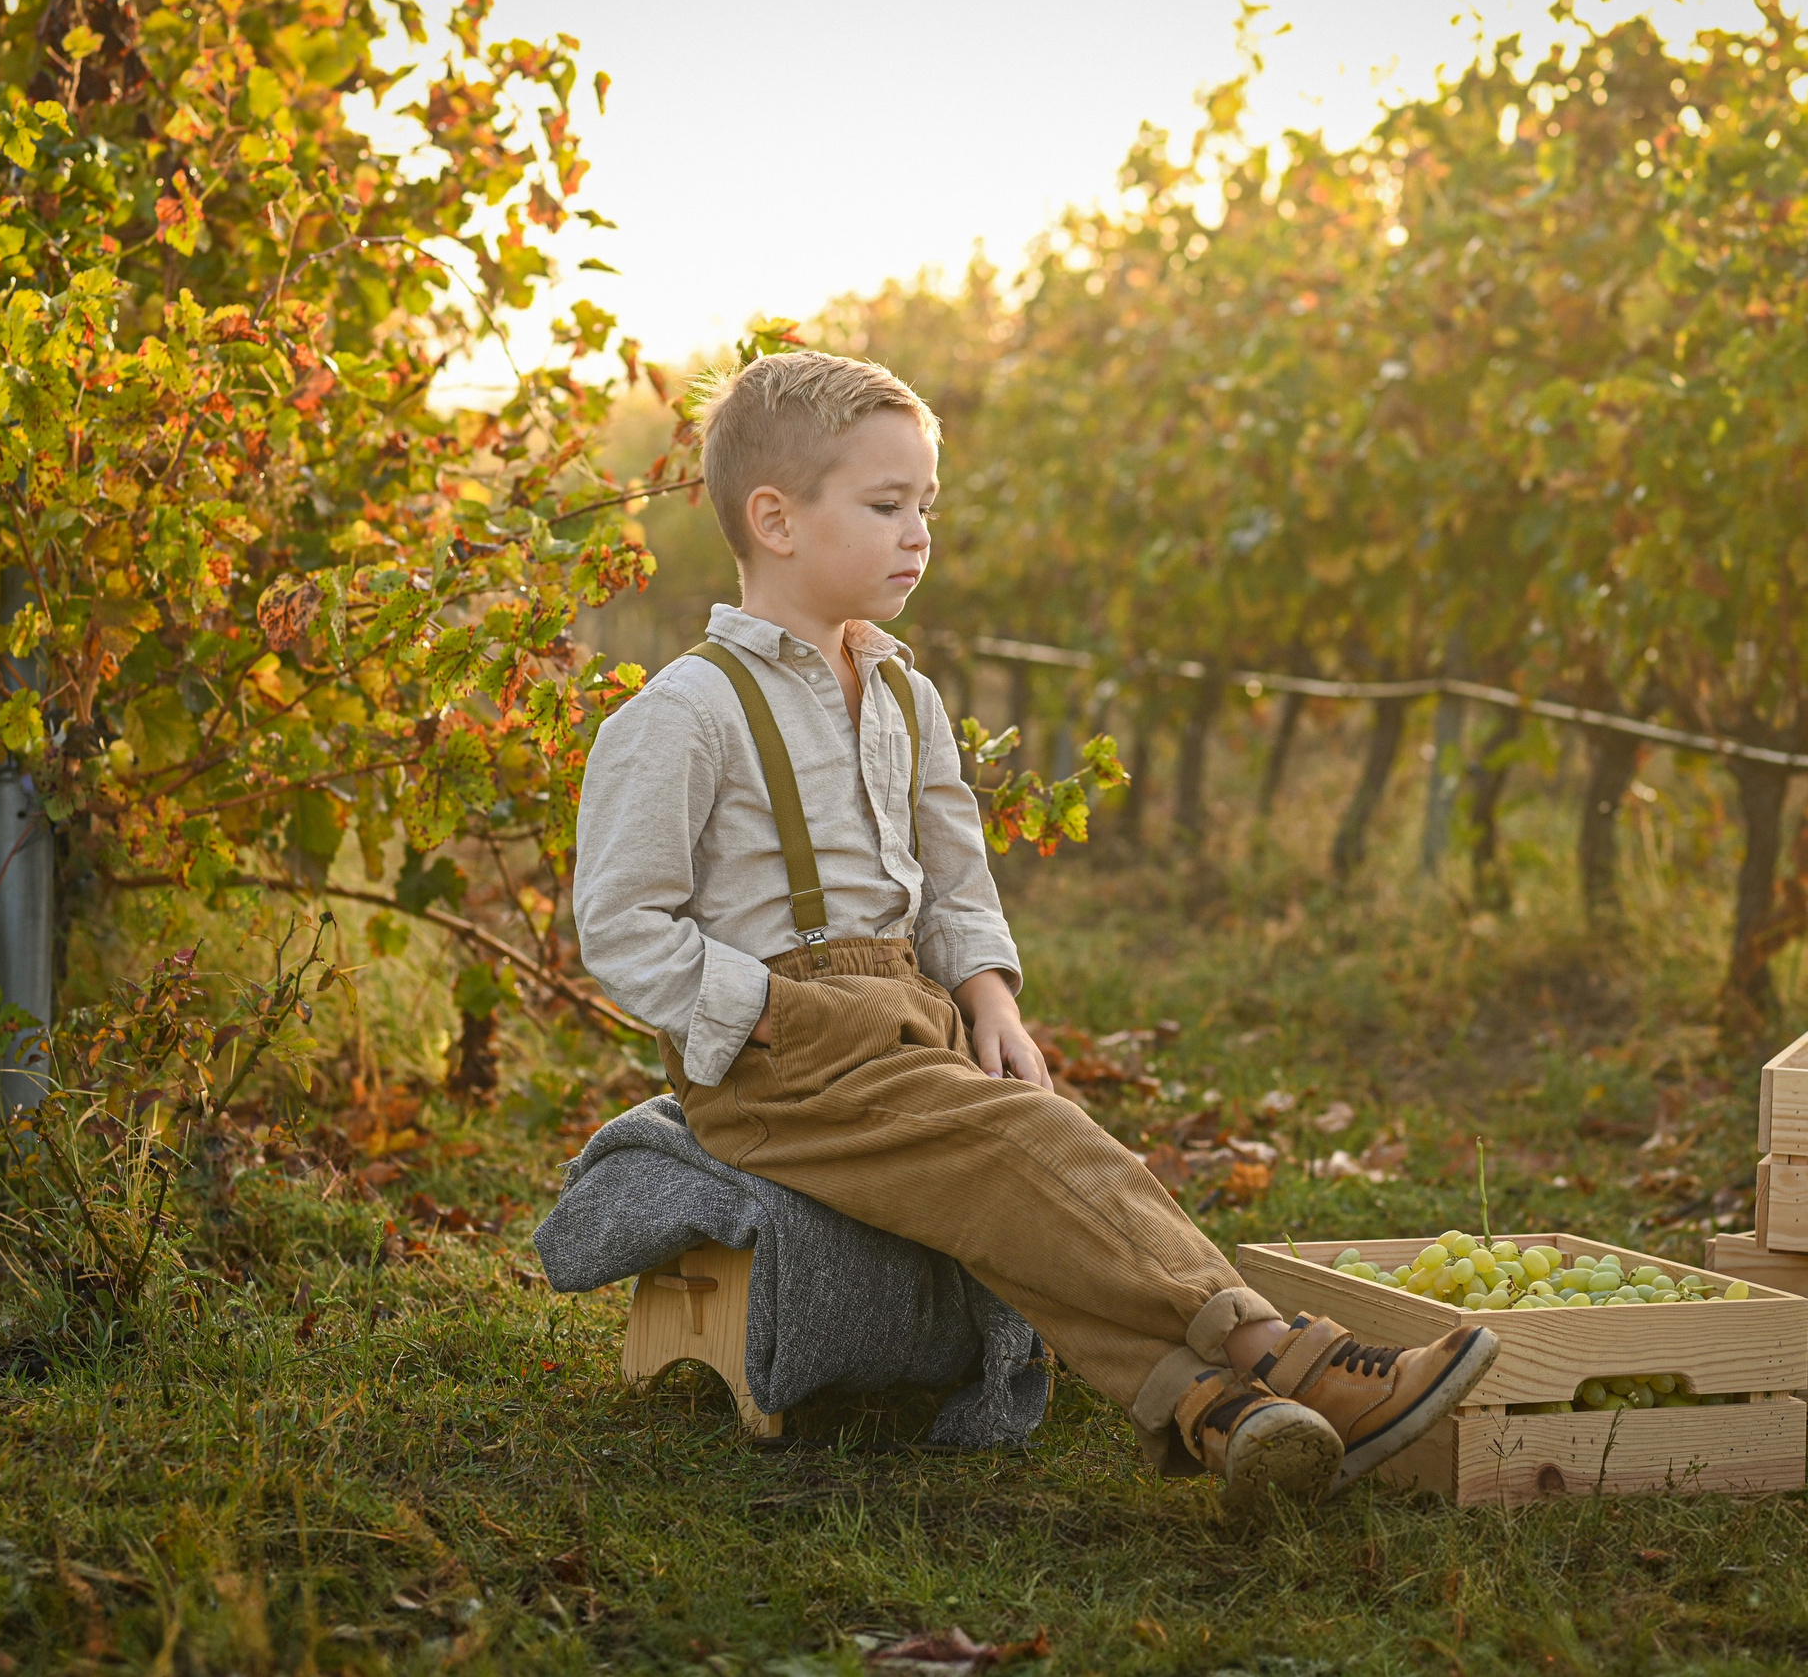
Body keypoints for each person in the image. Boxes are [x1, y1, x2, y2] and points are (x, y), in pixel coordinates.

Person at [572, 350, 1496, 1513]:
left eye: (927, 508)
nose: (919, 535)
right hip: (778, 1058)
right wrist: (765, 1012)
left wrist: (992, 1001)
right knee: (1031, 1152)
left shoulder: (907, 697)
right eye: (885, 505)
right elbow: (621, 924)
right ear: (776, 519)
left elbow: (956, 880)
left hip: (910, 1016)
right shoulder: (686, 712)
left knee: (1020, 1173)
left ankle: (1222, 1413)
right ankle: (1285, 1351)